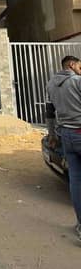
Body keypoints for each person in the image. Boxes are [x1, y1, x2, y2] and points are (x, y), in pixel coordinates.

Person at [46, 55, 81, 241]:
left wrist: (51, 134)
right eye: (80, 67)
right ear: (72, 65)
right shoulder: (77, 82)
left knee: (76, 181)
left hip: (65, 134)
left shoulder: (51, 84)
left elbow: (49, 112)